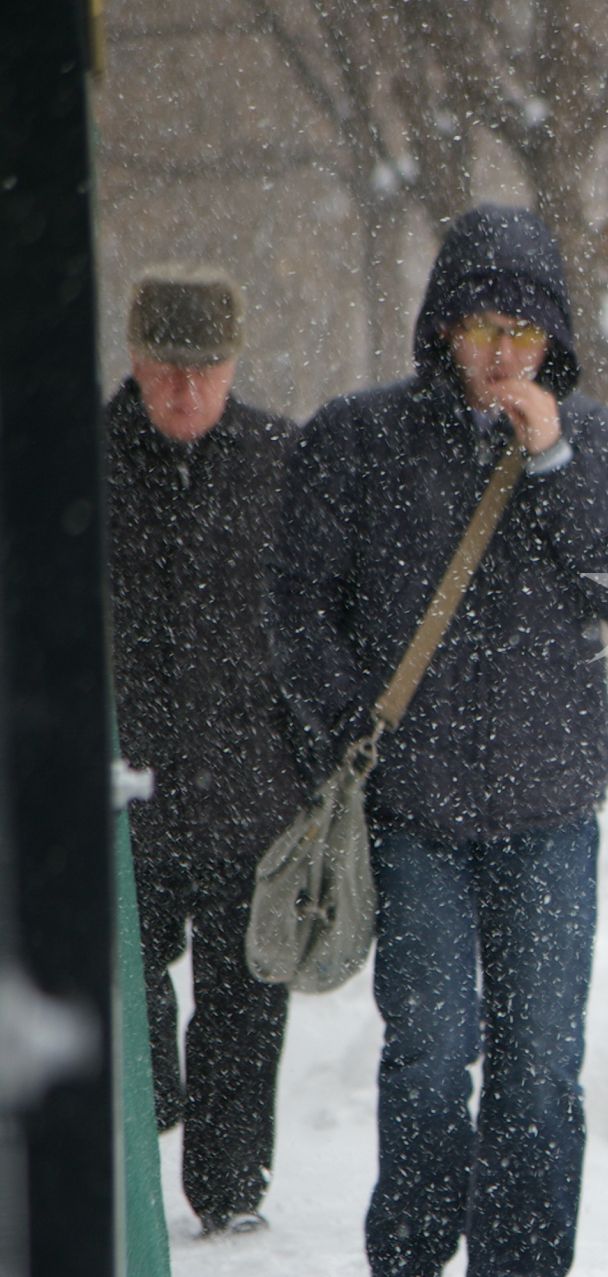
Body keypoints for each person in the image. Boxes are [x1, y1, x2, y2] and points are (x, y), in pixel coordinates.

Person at [274, 204, 608, 1276]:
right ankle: (408, 1257)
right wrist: (350, 728)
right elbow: (297, 606)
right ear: (442, 328)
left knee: (541, 1067)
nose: (502, 351)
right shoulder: (357, 440)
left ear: (555, 341)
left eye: (525, 330)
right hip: (414, 821)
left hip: (550, 815)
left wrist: (551, 465)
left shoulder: (603, 444)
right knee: (426, 1058)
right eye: (480, 324)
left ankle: (524, 1264)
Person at [106, 265, 300, 1237]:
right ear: (134, 358)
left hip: (250, 785)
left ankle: (229, 1188)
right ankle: (142, 1115)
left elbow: (320, 624)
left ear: (234, 363)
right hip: (118, 791)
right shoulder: (83, 464)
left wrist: (309, 762)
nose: (186, 389)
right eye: (167, 367)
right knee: (125, 982)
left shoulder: (281, 462)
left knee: (244, 996)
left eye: (206, 368)